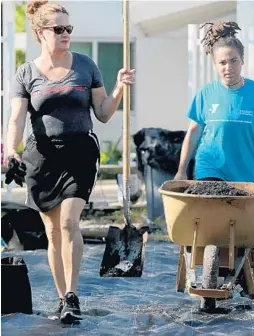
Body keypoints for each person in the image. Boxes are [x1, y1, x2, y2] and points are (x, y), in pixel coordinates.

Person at [5, 0, 135, 323]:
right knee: (53, 233)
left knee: (68, 222)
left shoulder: (86, 66)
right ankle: (62, 298)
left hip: (80, 153)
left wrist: (119, 88)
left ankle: (73, 295)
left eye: (68, 29)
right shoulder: (25, 74)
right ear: (40, 32)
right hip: (42, 158)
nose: (65, 34)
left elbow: (103, 113)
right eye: (58, 29)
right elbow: (16, 120)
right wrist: (11, 151)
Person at [173, 21, 254, 311]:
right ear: (214, 64)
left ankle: (238, 271)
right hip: (210, 167)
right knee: (210, 225)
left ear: (242, 61)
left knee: (241, 232)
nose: (227, 67)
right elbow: (193, 132)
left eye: (233, 61)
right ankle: (209, 273)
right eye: (222, 62)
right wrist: (183, 169)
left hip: (244, 175)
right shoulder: (205, 94)